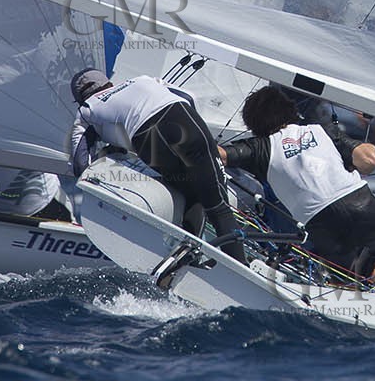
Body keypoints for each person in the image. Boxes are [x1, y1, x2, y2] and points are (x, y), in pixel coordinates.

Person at [67, 25, 247, 263]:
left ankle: (190, 255)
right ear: (108, 83)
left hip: (149, 138)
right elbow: (187, 97)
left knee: (188, 190)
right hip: (184, 119)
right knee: (215, 202)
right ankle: (234, 262)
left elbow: (81, 162)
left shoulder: (87, 109)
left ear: (80, 97)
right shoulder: (141, 80)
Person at [219, 86, 375, 288]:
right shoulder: (322, 131)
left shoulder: (258, 147)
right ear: (291, 111)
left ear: (253, 124)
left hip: (321, 222)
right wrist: (367, 146)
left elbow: (220, 154)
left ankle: (347, 301)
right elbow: (369, 162)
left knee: (344, 279)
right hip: (363, 205)